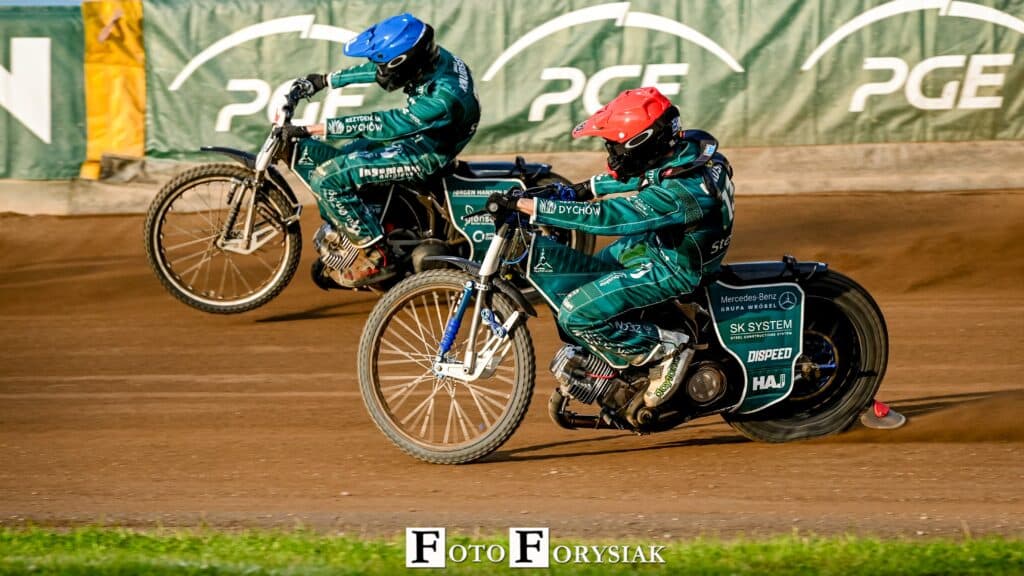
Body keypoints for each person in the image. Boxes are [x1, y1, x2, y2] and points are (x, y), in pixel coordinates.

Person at [506, 87, 734, 406]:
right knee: (583, 280)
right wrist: (582, 189)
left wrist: (540, 209)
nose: (611, 152)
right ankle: (611, 361)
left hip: (675, 269)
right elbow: (644, 176)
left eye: (615, 146)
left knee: (575, 313)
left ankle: (669, 348)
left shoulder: (683, 193)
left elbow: (609, 218)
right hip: (659, 246)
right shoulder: (687, 153)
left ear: (640, 143)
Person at [283, 13, 481, 287]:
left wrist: (313, 129)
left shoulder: (443, 97)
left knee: (328, 179)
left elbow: (384, 124)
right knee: (348, 154)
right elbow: (380, 72)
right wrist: (325, 80)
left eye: (385, 64)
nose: (380, 70)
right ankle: (356, 231)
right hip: (420, 136)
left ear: (403, 61)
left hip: (426, 153)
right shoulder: (427, 57)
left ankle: (375, 255)